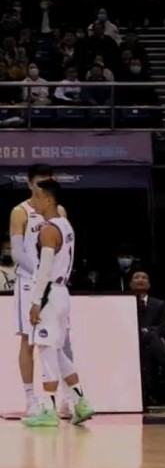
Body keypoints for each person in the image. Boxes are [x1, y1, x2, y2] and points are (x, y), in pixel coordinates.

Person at [22, 179, 94, 427]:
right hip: (62, 292)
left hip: (49, 293)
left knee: (45, 350)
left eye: (37, 196)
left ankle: (48, 409)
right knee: (58, 350)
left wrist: (35, 301)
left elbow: (44, 270)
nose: (33, 201)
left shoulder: (48, 230)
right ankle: (81, 401)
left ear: (48, 199)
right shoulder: (66, 225)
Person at [9, 164, 71, 417]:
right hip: (28, 282)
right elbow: (17, 253)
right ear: (29, 184)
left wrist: (51, 275)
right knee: (29, 341)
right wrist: (40, 275)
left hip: (51, 284)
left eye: (48, 182)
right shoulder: (20, 212)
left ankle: (66, 399)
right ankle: (30, 399)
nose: (44, 187)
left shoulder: (59, 211)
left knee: (61, 339)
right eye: (39, 183)